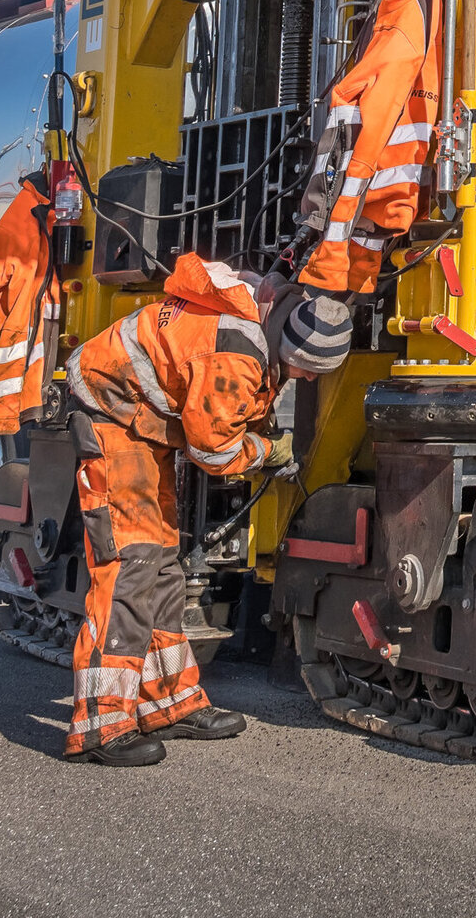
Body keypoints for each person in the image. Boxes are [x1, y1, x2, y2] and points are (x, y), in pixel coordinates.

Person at [60, 253, 352, 766]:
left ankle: (168, 702)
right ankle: (102, 725)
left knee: (162, 568)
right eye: (308, 370)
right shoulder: (236, 354)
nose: (307, 380)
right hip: (112, 420)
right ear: (291, 347)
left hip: (140, 423)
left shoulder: (261, 326)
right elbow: (215, 452)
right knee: (130, 568)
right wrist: (267, 454)